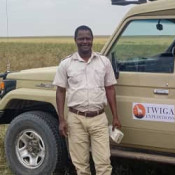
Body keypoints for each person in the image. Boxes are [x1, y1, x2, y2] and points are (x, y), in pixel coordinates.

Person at [53, 25, 121, 175]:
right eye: (81, 38)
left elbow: (110, 89)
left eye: (88, 38)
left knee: (104, 163)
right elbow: (60, 91)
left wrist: (115, 116)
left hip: (99, 118)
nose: (85, 41)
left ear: (92, 40)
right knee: (81, 165)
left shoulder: (103, 62)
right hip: (75, 119)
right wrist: (61, 120)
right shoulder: (66, 64)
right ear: (75, 40)